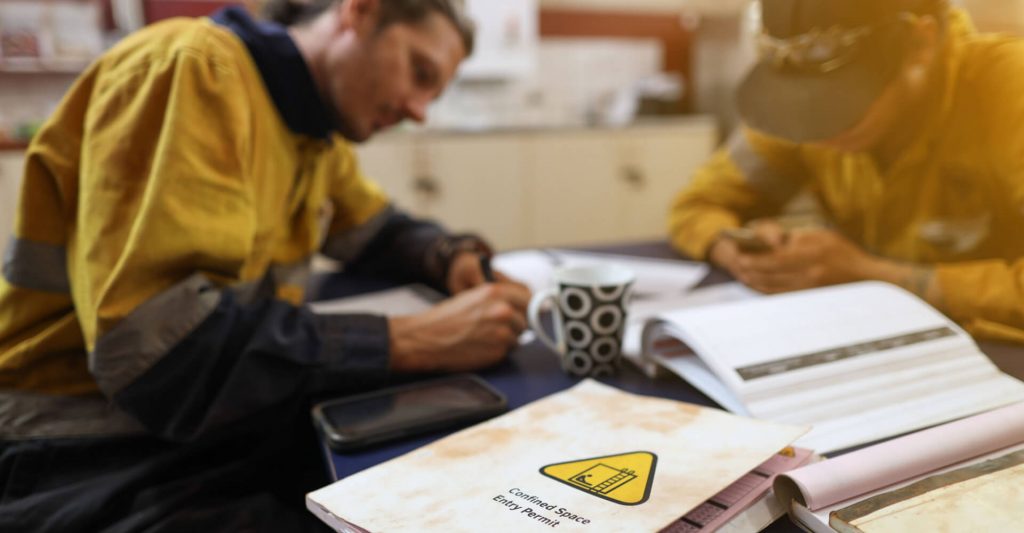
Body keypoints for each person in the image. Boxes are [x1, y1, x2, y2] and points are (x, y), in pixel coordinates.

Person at [0, 0, 531, 530]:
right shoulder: (194, 70)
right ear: (361, 11)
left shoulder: (310, 128)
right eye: (420, 73)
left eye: (434, 94)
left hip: (193, 425)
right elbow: (159, 361)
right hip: (74, 447)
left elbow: (376, 230)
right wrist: (417, 339)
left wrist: (448, 255)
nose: (420, 110)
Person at [669, 0, 1024, 343]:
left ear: (920, 45)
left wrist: (874, 275)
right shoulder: (796, 103)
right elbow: (697, 204)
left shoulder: (1009, 90)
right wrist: (737, 252)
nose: (817, 128)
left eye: (838, 103)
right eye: (802, 100)